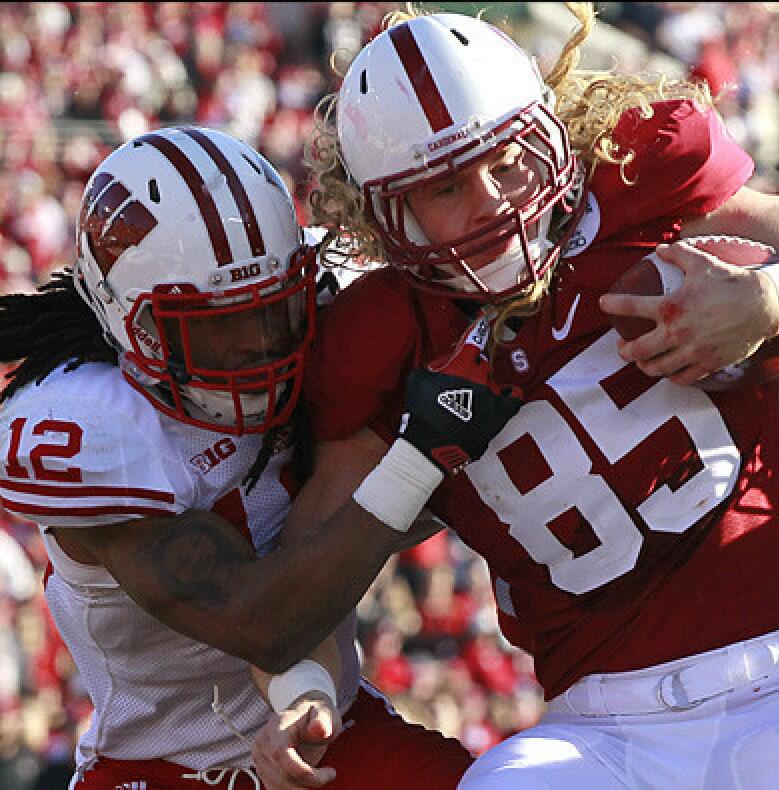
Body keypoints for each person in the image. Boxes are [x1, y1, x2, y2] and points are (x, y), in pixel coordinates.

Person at [262, 5, 779, 787]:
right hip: (595, 722)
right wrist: (305, 691)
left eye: (505, 160)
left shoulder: (638, 184)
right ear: (387, 214)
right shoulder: (385, 337)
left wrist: (774, 299)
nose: (492, 201)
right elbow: (311, 574)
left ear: (549, 135)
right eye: (446, 187)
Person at [0, 127, 473, 789]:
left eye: (273, 308)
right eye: (215, 324)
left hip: (333, 722)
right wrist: (422, 457)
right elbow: (263, 620)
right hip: (157, 768)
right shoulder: (88, 421)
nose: (257, 344)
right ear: (129, 323)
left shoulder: (334, 306)